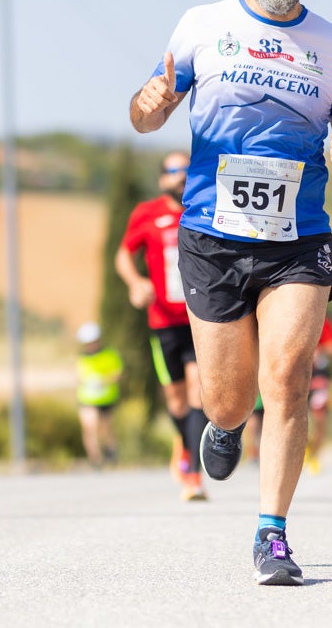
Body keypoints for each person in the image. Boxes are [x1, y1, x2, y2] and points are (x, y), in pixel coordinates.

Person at [128, 0, 332, 586]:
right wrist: (145, 108)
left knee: (288, 378)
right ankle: (228, 425)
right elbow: (150, 109)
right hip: (211, 238)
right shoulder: (202, 26)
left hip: (299, 239)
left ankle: (272, 535)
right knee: (229, 399)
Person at [114, 150, 208, 502]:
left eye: (187, 168)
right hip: (163, 321)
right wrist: (135, 283)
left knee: (199, 391)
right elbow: (124, 253)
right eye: (174, 170)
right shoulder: (147, 213)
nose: (181, 175)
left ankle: (193, 475)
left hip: (201, 318)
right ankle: (183, 445)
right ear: (161, 179)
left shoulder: (204, 208)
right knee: (176, 400)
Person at [74, 322, 123, 468]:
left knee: (105, 427)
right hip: (87, 398)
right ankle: (95, 459)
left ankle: (111, 450)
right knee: (90, 426)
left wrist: (104, 381)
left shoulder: (110, 354)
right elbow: (77, 376)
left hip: (106, 398)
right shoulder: (82, 358)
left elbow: (118, 373)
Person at [304, 315, 332, 474]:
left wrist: (320, 349)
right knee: (293, 417)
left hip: (318, 377)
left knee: (320, 419)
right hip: (294, 375)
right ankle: (299, 452)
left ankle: (314, 455)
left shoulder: (322, 320)